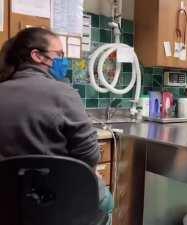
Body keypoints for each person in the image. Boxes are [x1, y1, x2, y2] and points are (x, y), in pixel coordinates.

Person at [0, 28, 113, 224]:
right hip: (59, 200)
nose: (64, 61)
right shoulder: (63, 93)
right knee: (107, 203)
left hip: (7, 202)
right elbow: (89, 155)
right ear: (37, 56)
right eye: (59, 55)